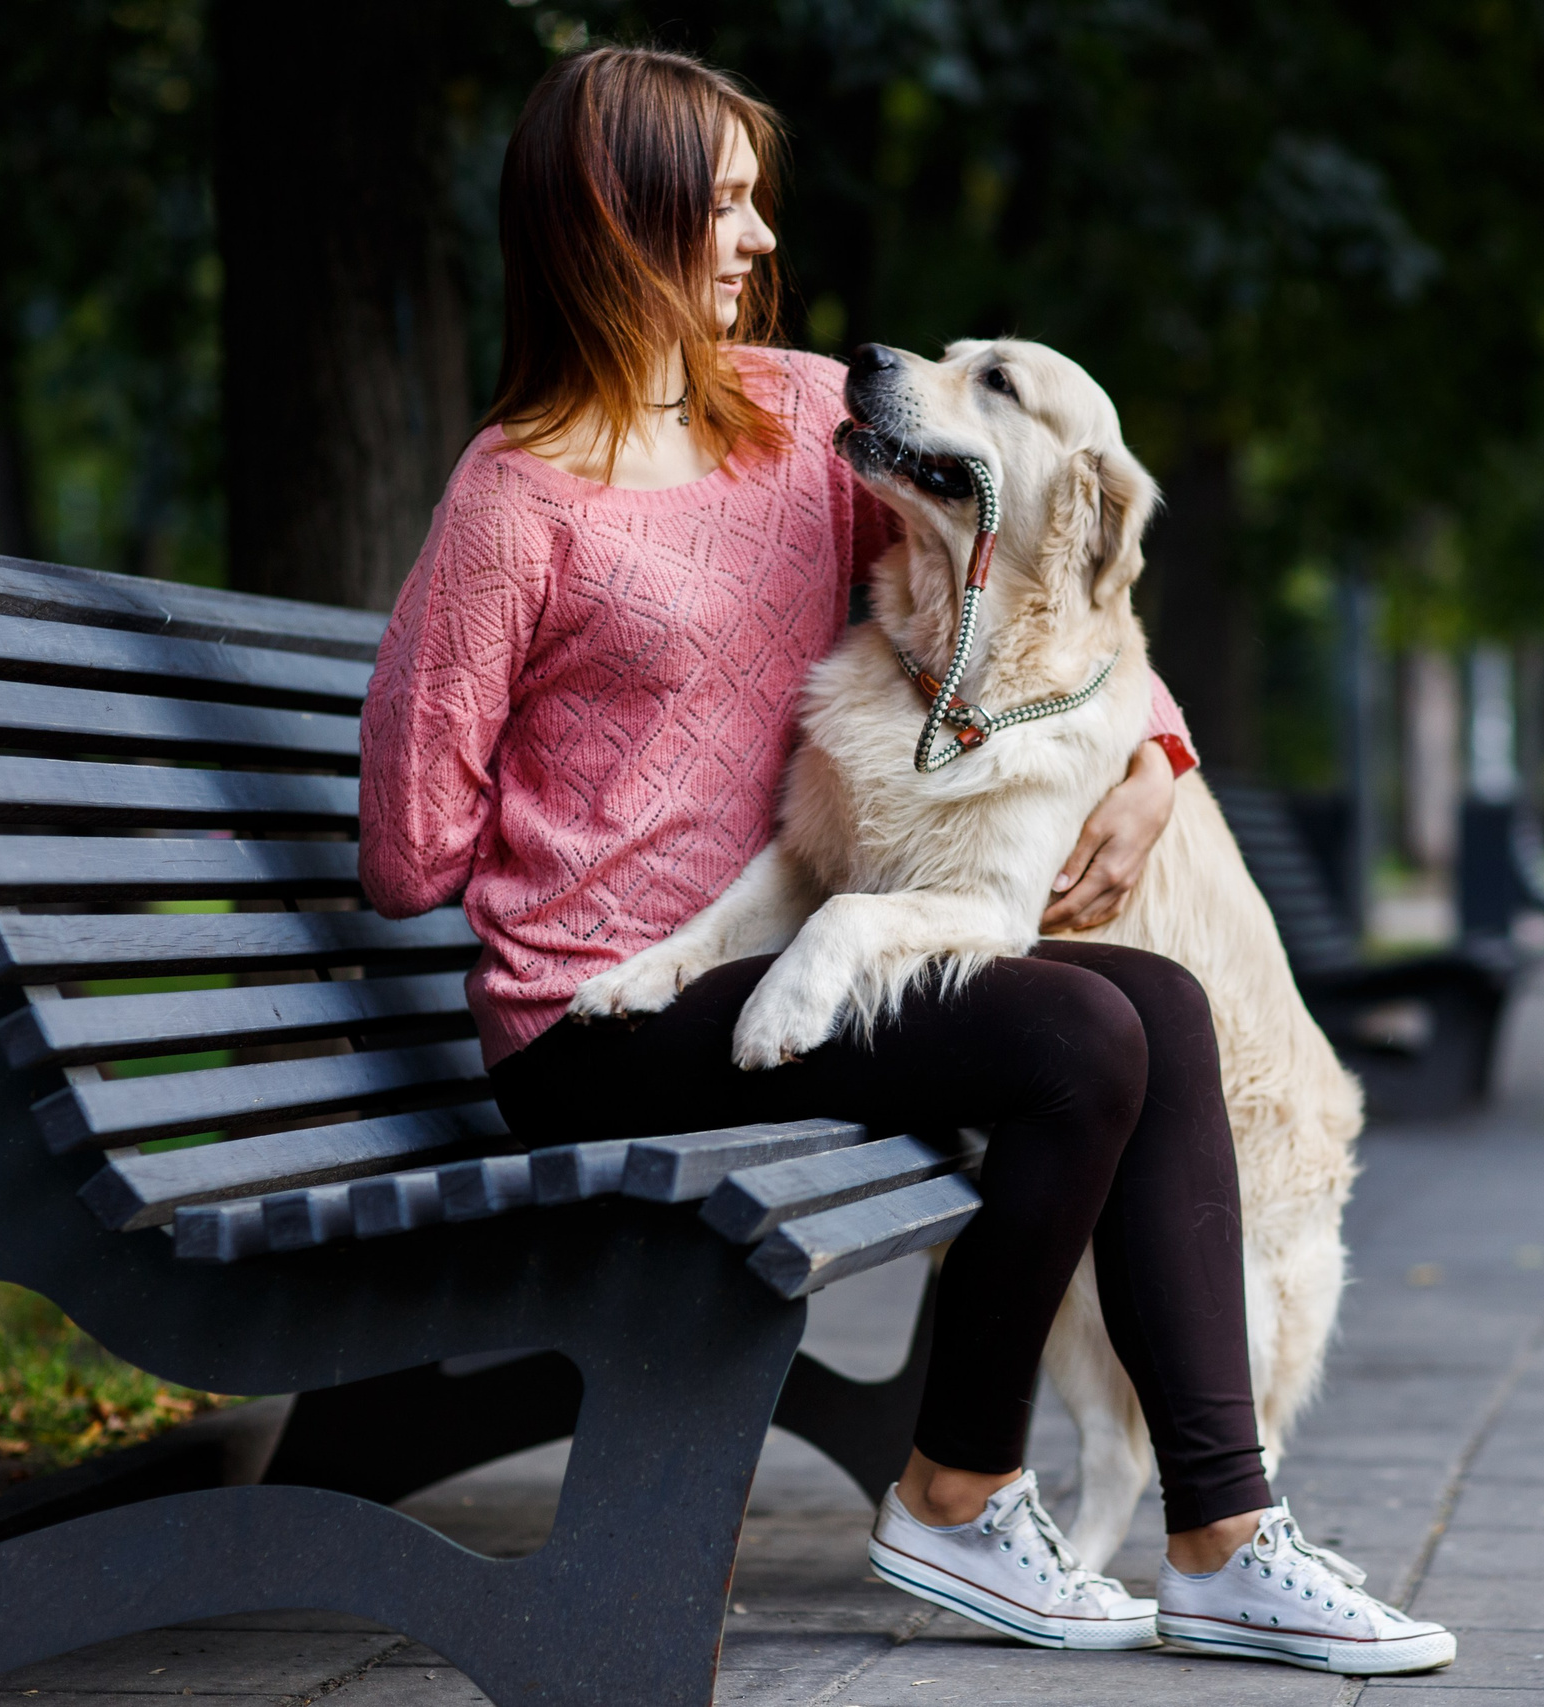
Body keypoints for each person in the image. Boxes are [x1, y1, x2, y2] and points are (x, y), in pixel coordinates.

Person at [358, 44, 1454, 1678]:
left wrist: (1155, 753)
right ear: (611, 216)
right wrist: (550, 775)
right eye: (718, 207)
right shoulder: (513, 501)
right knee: (1080, 1032)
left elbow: (1038, 579)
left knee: (1153, 1001)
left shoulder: (800, 420)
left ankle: (1225, 1534)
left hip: (784, 962)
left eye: (753, 205)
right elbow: (407, 852)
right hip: (600, 1023)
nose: (752, 241)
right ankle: (955, 1487)